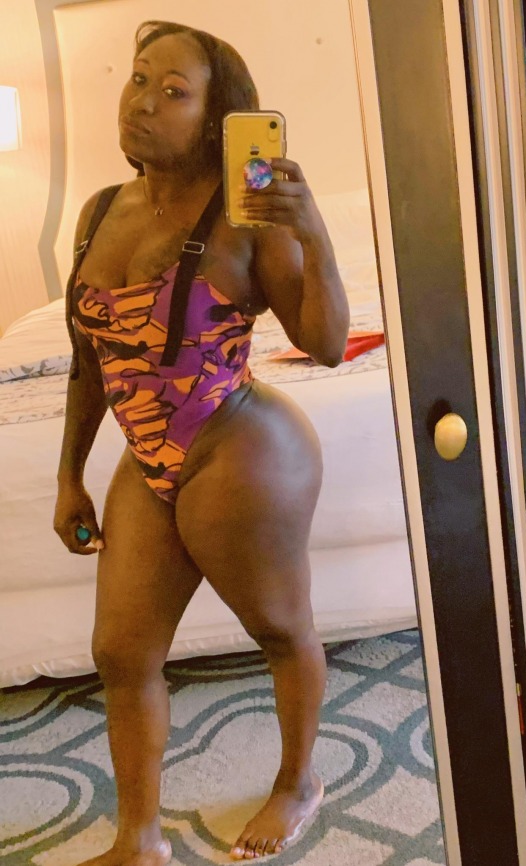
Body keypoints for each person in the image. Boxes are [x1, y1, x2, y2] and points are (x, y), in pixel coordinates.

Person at [53, 19, 350, 865]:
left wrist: (315, 235)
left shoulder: (247, 215)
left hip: (237, 444)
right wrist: (70, 475)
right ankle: (138, 840)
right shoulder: (96, 213)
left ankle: (298, 781)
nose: (143, 101)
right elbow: (88, 361)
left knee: (279, 627)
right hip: (144, 458)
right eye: (138, 78)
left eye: (174, 91)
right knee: (121, 652)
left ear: (218, 118)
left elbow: (327, 344)